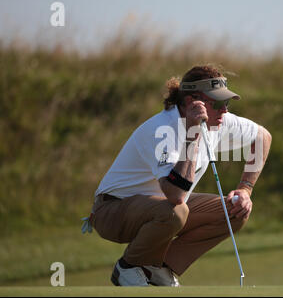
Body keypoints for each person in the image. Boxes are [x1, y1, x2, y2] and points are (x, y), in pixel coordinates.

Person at [82, 64, 272, 286]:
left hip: (163, 208)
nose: (225, 111)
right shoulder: (163, 129)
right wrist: (192, 135)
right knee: (176, 211)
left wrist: (245, 189)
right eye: (218, 103)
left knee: (236, 210)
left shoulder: (219, 120)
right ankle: (128, 267)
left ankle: (161, 270)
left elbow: (262, 137)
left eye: (227, 103)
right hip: (112, 211)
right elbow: (175, 195)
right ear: (193, 102)